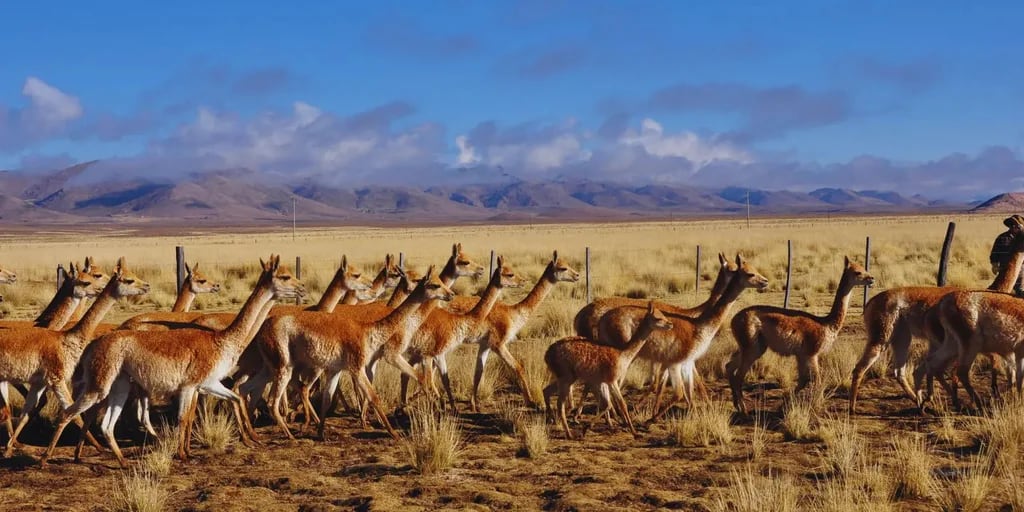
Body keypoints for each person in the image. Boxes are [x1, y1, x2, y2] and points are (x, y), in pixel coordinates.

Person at [990, 214, 1024, 296]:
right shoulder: (1002, 238)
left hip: (1020, 269)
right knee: (1001, 290)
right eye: (1011, 224)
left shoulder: (1022, 238)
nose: (1013, 226)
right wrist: (994, 264)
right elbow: (995, 252)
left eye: (1016, 225)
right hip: (1004, 268)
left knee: (1020, 290)